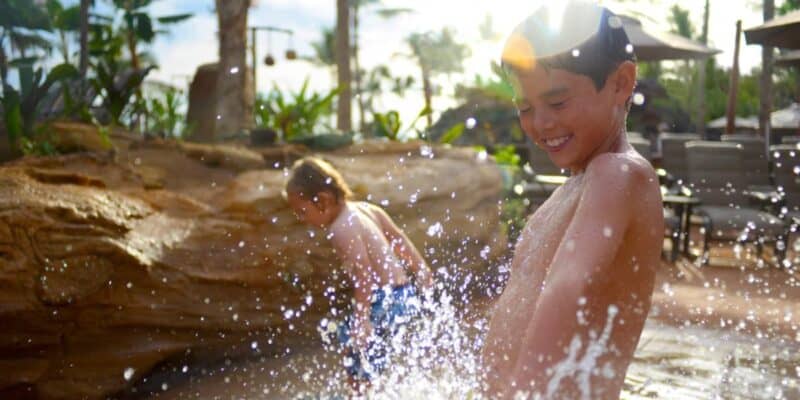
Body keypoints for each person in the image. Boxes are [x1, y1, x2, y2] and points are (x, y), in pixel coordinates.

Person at [481, 2, 664, 399]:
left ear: (621, 83)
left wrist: (523, 390)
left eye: (558, 103)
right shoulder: (575, 188)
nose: (541, 123)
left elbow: (568, 286)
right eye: (525, 107)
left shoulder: (618, 174)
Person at [284, 156, 434, 393]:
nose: (302, 220)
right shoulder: (366, 209)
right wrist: (422, 270)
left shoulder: (340, 229)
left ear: (322, 200)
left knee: (359, 358)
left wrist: (362, 320)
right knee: (362, 354)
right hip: (402, 296)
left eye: (303, 212)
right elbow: (398, 238)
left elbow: (364, 275)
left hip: (383, 301)